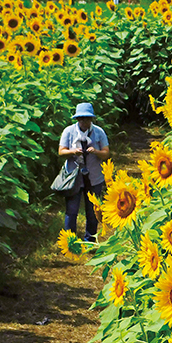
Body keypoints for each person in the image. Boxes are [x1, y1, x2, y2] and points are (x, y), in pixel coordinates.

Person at [58, 102, 111, 242]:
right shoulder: (68, 131)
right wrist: (72, 151)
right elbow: (61, 151)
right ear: (77, 119)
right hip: (73, 177)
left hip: (94, 177)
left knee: (93, 211)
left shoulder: (99, 132)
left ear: (91, 119)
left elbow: (106, 153)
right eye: (81, 118)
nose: (84, 121)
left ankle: (90, 240)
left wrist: (97, 152)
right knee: (71, 210)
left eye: (87, 118)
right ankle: (70, 241)